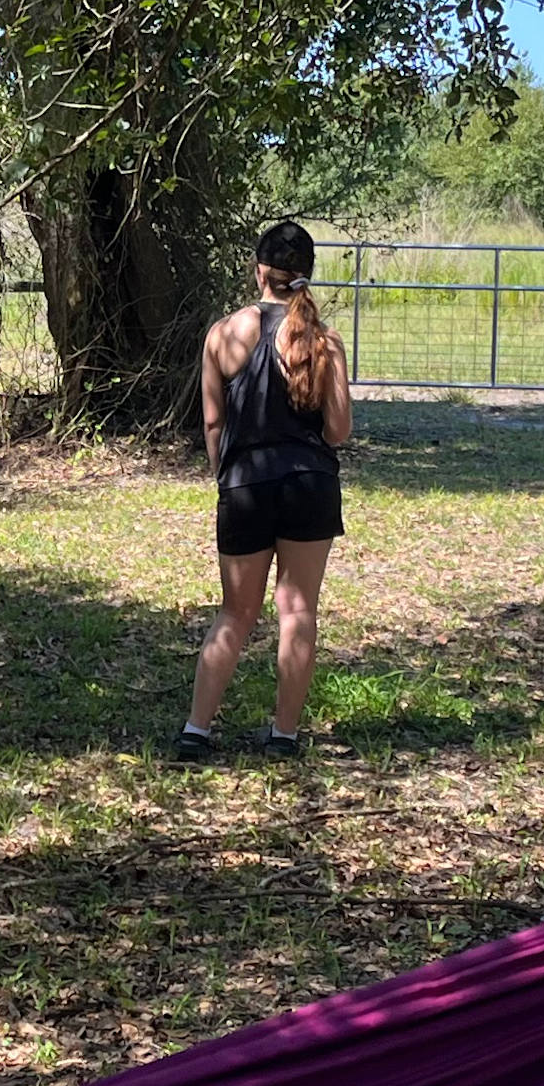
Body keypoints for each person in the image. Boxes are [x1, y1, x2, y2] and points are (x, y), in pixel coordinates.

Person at [181, 219, 352, 759]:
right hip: (310, 483)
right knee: (297, 610)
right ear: (306, 276)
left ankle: (196, 731)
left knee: (235, 612)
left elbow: (212, 426)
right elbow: (339, 431)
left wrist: (225, 477)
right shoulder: (324, 340)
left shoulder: (222, 335)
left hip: (244, 486)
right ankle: (283, 737)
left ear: (259, 271)